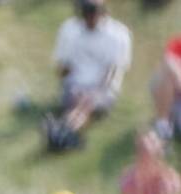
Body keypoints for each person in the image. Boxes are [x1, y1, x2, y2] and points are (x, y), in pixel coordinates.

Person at [45, 0, 132, 150]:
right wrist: (69, 82)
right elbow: (62, 68)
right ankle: (67, 132)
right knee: (78, 104)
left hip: (102, 88)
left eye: (93, 15)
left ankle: (65, 131)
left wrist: (94, 92)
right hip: (75, 85)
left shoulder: (118, 35)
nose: (90, 20)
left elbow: (112, 72)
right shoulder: (69, 30)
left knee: (86, 105)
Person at [151, 35, 181, 141]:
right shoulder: (178, 44)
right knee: (164, 77)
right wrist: (177, 76)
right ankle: (163, 126)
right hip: (176, 94)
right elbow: (168, 62)